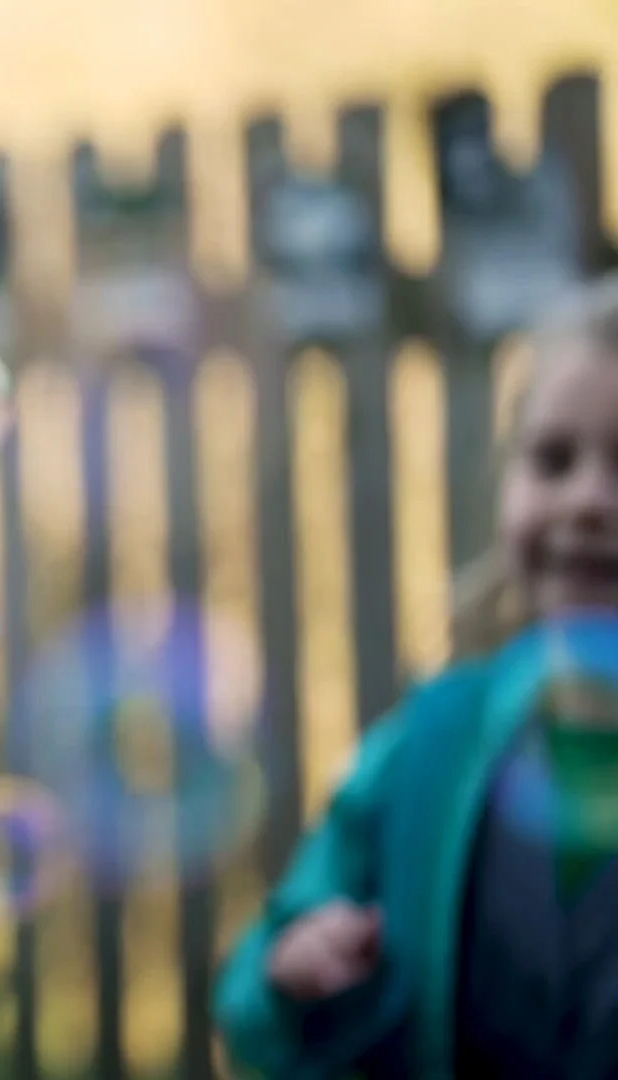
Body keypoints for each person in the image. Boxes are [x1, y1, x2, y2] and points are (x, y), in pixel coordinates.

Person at [214, 276, 618, 1078]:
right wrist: (292, 980)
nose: (587, 500)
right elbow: (253, 1005)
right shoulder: (429, 744)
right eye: (552, 459)